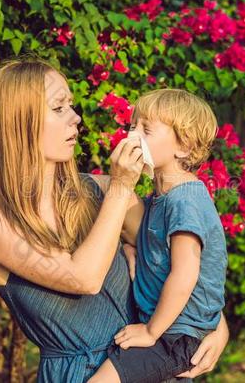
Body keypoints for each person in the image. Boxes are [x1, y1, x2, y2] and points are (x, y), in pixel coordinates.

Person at [0, 56, 230, 382]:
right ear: (21, 121)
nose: (76, 118)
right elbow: (83, 279)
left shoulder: (98, 190)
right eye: (59, 108)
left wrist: (214, 325)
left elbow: (180, 261)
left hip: (149, 365)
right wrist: (121, 187)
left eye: (71, 105)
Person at [89, 90, 228, 383]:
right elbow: (155, 247)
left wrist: (151, 331)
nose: (132, 136)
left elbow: (185, 273)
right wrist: (132, 247)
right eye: (132, 126)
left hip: (176, 336)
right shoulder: (160, 198)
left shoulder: (184, 202)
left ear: (184, 147)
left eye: (146, 129)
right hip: (170, 329)